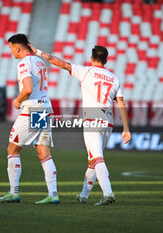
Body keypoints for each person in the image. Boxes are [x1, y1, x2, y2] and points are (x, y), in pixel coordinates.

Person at [29, 44, 131, 205]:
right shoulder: (114, 78)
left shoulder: (86, 71)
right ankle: (83, 196)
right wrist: (126, 128)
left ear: (91, 58)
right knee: (92, 160)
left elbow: (59, 62)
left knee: (97, 158)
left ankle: (108, 193)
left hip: (92, 118)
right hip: (109, 122)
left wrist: (38, 52)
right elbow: (121, 103)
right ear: (106, 60)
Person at [0, 34, 59, 204]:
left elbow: (28, 88)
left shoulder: (24, 63)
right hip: (45, 108)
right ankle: (53, 195)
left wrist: (17, 100)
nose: (10, 51)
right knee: (44, 153)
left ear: (18, 47)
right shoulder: (40, 62)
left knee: (12, 149)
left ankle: (13, 192)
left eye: (11, 48)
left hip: (32, 110)